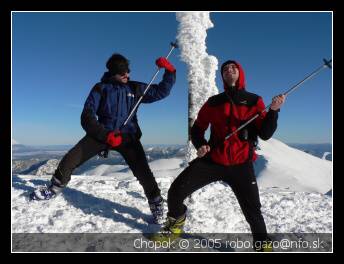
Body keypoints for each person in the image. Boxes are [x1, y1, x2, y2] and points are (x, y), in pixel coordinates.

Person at [154, 59, 286, 251]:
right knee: (175, 191)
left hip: (241, 163)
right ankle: (176, 223)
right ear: (222, 76)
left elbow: (265, 134)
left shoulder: (254, 101)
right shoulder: (214, 102)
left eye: (233, 68)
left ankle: (262, 243)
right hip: (214, 160)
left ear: (240, 73)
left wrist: (273, 111)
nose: (229, 70)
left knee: (252, 210)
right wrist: (201, 145)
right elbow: (198, 129)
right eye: (225, 69)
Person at [30, 53, 176, 224]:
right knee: (71, 158)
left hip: (128, 137)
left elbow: (161, 92)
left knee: (143, 172)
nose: (126, 75)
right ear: (112, 72)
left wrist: (170, 71)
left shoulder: (135, 88)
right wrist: (104, 134)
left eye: (127, 71)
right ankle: (54, 189)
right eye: (122, 72)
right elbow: (86, 116)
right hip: (102, 134)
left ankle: (156, 203)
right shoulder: (101, 88)